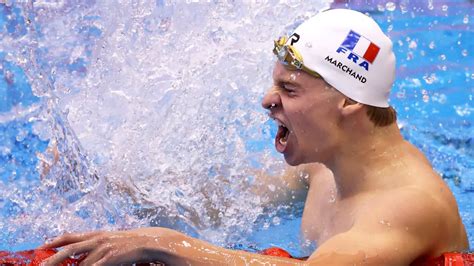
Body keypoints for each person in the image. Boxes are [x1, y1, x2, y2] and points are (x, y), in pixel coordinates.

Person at [41, 8, 469, 265]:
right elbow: (229, 201)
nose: (267, 101)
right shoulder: (327, 164)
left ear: (348, 102)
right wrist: (107, 185)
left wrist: (166, 246)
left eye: (289, 89)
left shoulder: (407, 205)